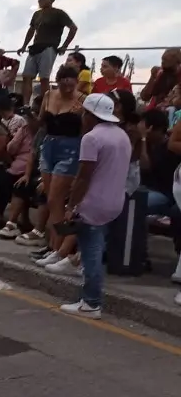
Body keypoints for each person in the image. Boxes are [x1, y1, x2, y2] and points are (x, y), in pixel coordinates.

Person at [60, 93, 132, 319]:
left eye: (84, 112)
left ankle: (91, 303)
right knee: (94, 250)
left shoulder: (91, 138)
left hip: (93, 203)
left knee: (91, 254)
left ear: (89, 114)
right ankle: (88, 298)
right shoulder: (122, 135)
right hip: (115, 202)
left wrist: (71, 205)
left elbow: (83, 176)